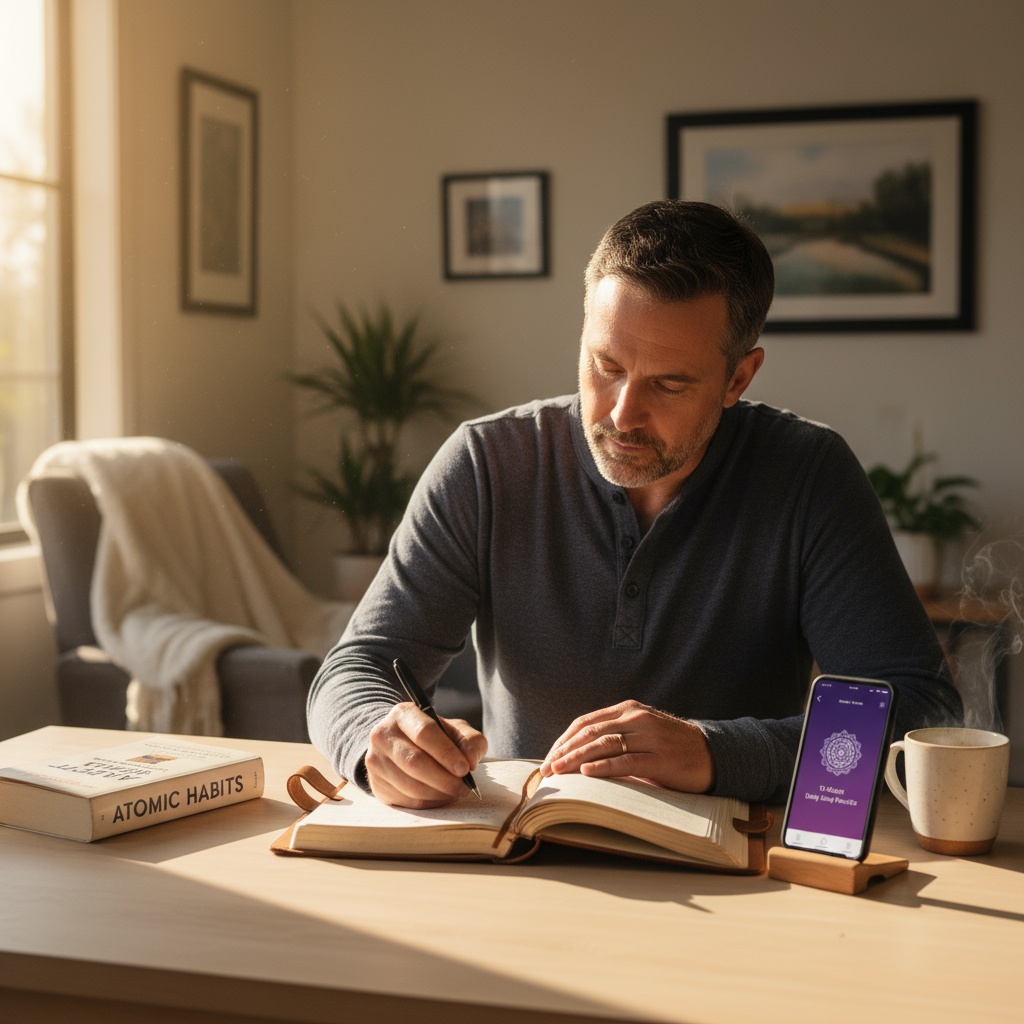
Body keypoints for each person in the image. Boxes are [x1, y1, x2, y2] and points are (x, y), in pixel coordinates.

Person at [307, 200, 962, 809]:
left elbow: (918, 710)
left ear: (739, 377)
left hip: (738, 870)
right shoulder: (487, 463)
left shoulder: (808, 476)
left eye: (670, 383)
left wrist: (715, 753)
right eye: (605, 365)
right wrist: (376, 737)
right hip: (526, 859)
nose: (622, 414)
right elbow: (356, 668)